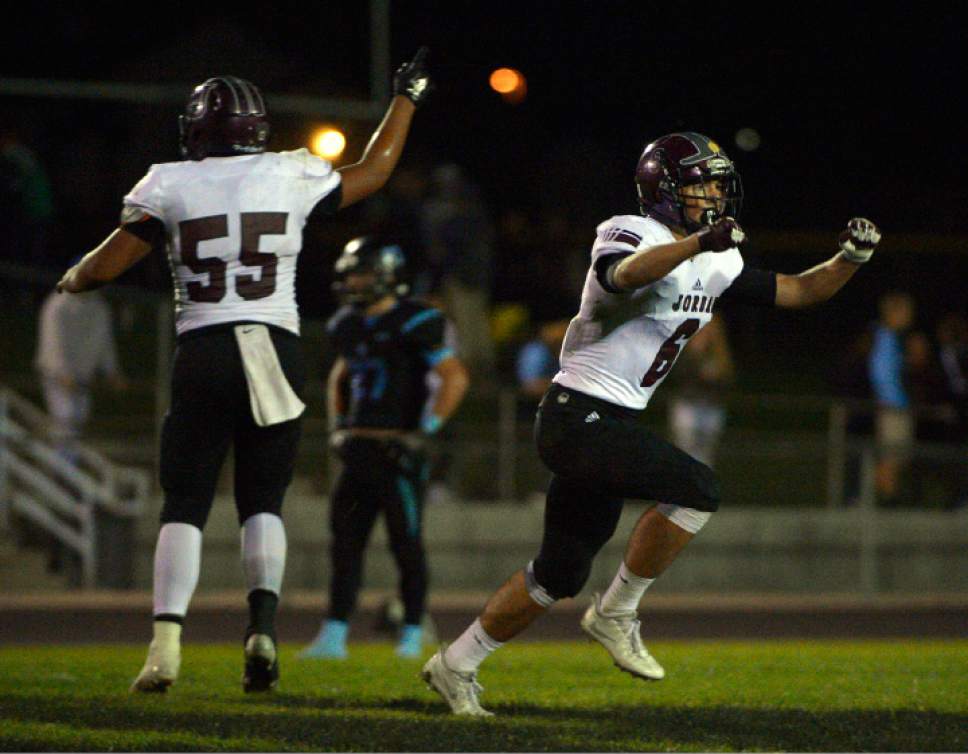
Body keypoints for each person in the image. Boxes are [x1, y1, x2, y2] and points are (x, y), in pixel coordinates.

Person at [419, 131, 881, 716]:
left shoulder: (718, 255)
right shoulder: (633, 231)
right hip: (577, 415)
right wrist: (695, 244)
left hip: (604, 421)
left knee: (557, 572)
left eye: (718, 181)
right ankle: (615, 612)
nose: (715, 192)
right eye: (702, 182)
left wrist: (850, 259)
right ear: (665, 190)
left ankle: (456, 664)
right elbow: (624, 276)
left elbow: (798, 290)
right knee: (698, 488)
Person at [56, 50, 434, 694]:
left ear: (198, 129)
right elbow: (376, 170)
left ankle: (166, 645)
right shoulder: (290, 173)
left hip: (202, 347)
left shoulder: (167, 181)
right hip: (272, 348)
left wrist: (75, 275)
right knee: (263, 502)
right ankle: (261, 629)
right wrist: (406, 99)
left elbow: (104, 267)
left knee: (185, 502)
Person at [299, 237, 468, 660]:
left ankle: (412, 632)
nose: (355, 282)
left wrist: (425, 429)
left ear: (389, 276)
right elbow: (340, 375)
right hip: (358, 449)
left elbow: (454, 376)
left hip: (398, 450)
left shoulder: (417, 320)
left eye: (364, 274)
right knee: (345, 545)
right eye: (351, 273)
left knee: (406, 544)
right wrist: (339, 425)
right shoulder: (346, 324)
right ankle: (334, 634)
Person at [34, 284, 127, 457]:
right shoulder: (57, 304)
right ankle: (61, 469)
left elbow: (105, 343)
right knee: (65, 416)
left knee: (79, 419)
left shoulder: (99, 307)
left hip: (83, 374)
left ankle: (66, 467)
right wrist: (62, 372)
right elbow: (53, 341)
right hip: (55, 374)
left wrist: (111, 371)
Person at [665, 313, 734, 467]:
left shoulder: (719, 352)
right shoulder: (681, 344)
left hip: (711, 406)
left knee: (705, 456)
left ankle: (701, 488)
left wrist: (715, 374)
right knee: (683, 451)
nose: (705, 331)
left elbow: (727, 376)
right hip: (687, 405)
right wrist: (695, 358)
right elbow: (673, 375)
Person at [868, 292, 915, 504]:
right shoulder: (886, 338)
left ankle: (884, 497)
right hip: (892, 407)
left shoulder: (891, 338)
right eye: (905, 311)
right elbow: (880, 373)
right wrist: (892, 400)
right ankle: (883, 501)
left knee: (898, 456)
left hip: (896, 405)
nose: (909, 316)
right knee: (890, 456)